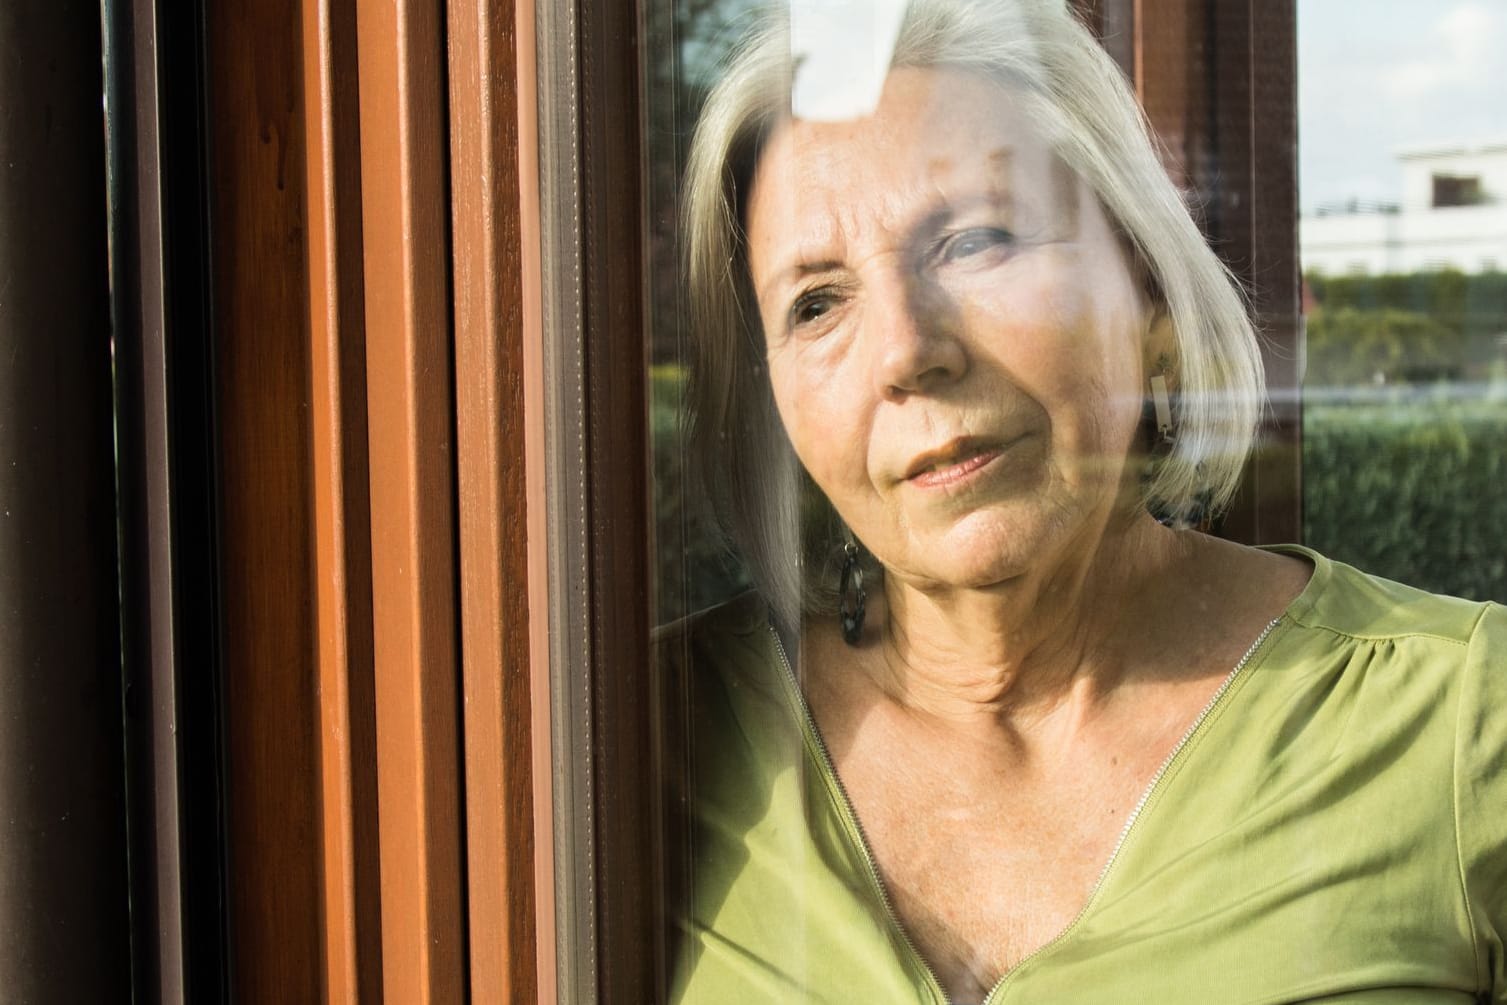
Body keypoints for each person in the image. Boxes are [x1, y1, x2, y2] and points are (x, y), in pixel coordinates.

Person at [660, 1, 1507, 1001]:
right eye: (815, 303)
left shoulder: (1459, 717)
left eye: (974, 242)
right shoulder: (651, 736)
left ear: (1145, 286)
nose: (905, 351)